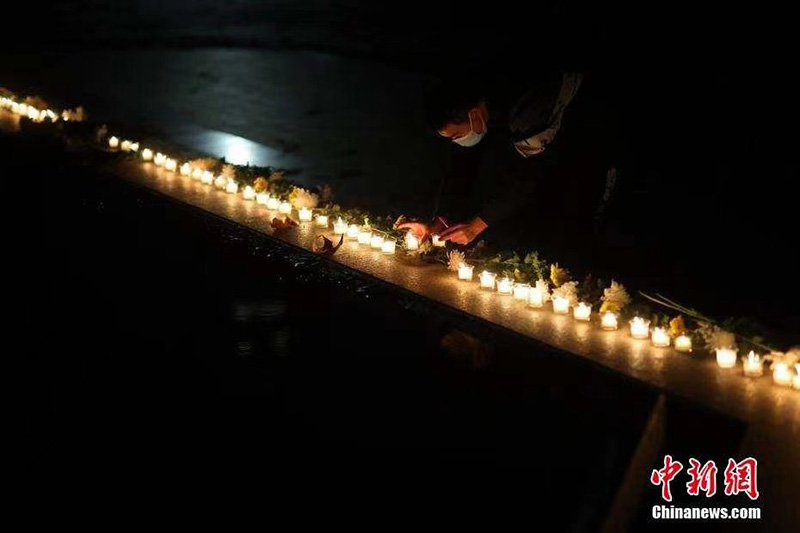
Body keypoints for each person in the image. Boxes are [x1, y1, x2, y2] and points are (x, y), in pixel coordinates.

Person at [400, 69, 620, 265]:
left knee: (576, 214)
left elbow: (527, 173)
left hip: (591, 134)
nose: (458, 141)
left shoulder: (526, 110)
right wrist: (439, 220)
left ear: (474, 114)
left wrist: (477, 225)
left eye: (457, 135)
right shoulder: (481, 106)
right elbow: (461, 163)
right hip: (543, 145)